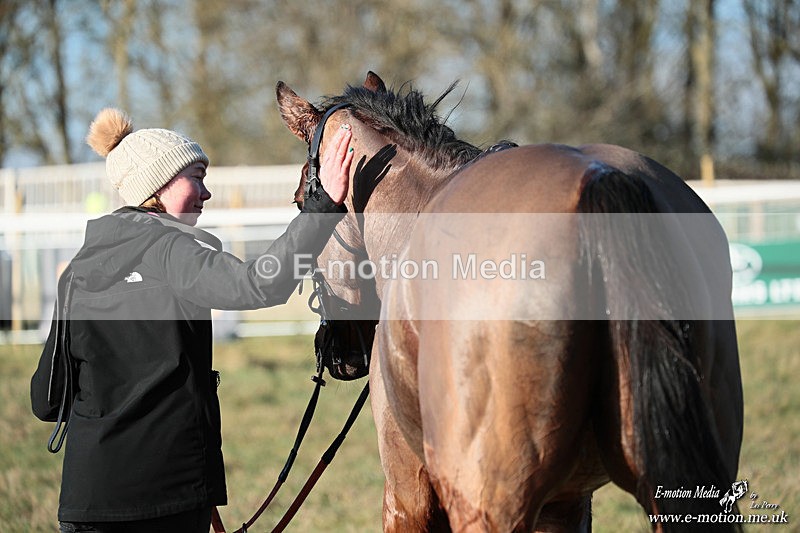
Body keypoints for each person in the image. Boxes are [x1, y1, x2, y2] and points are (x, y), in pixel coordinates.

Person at [30, 108, 354, 532]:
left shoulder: (76, 272)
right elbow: (259, 284)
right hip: (169, 497)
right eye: (196, 178)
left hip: (86, 503)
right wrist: (322, 207)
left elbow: (46, 399)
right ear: (158, 185)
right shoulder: (171, 250)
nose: (207, 193)